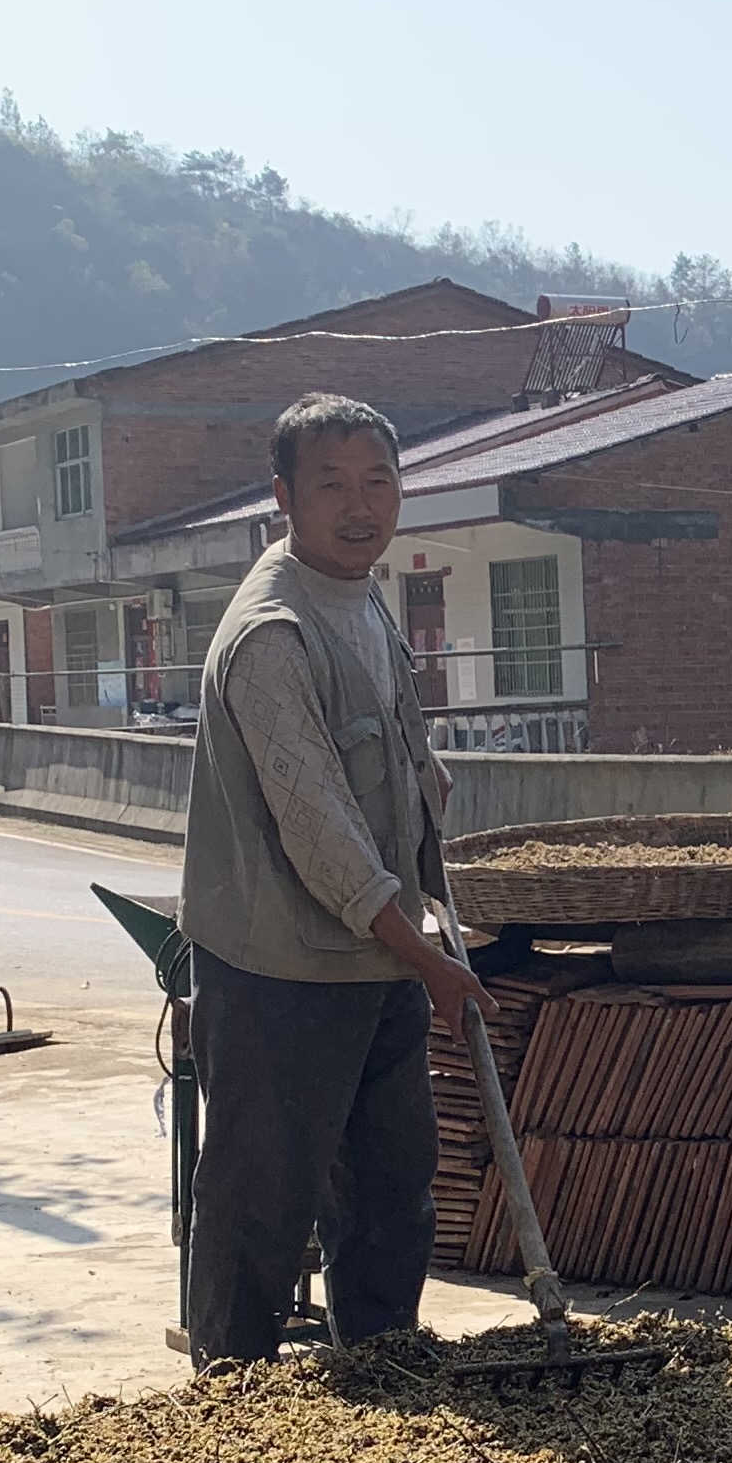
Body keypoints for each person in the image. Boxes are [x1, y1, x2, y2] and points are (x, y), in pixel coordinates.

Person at [174, 393, 482, 1371]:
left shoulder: (361, 594)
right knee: (263, 1198)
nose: (361, 506)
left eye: (379, 481)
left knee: (393, 1188)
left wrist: (427, 786)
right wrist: (425, 959)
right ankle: (232, 1394)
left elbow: (397, 741)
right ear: (284, 499)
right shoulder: (271, 632)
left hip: (377, 954)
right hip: (282, 966)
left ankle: (380, 1370)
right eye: (332, 485)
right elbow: (320, 832)